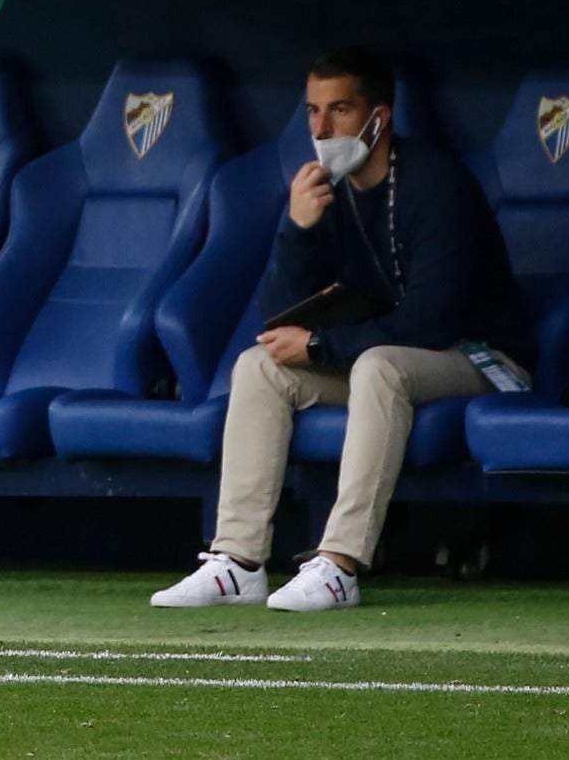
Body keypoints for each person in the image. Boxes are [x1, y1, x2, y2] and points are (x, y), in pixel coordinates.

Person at [151, 47, 534, 612]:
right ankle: (238, 562)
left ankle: (340, 566)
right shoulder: (325, 191)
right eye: (312, 112)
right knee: (259, 367)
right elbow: (280, 317)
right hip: (385, 361)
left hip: (479, 358)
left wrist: (320, 345)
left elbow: (433, 321)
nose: (323, 128)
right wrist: (299, 228)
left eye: (340, 111)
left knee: (379, 365)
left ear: (380, 115)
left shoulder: (437, 183)